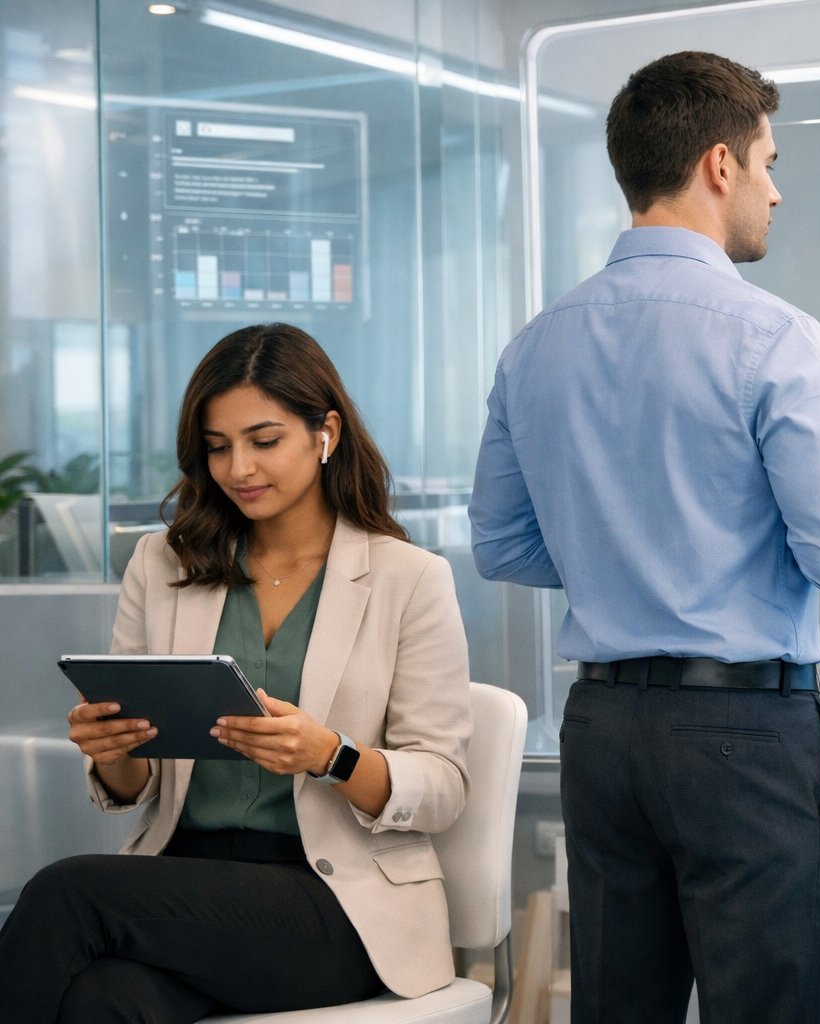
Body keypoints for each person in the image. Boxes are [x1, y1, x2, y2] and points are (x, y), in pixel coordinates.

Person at [469, 50, 820, 1024]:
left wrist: (622, 562)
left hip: (605, 734)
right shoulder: (777, 337)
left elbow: (499, 544)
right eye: (769, 163)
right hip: (745, 737)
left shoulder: (534, 345)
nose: (777, 193)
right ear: (719, 165)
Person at [0, 323, 472, 1021]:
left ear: (326, 433)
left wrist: (330, 756)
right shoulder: (163, 566)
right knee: (108, 1000)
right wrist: (117, 753)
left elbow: (443, 788)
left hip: (332, 904)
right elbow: (134, 789)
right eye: (217, 448)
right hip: (185, 887)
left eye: (264, 440)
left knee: (67, 893)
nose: (239, 469)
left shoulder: (409, 579)